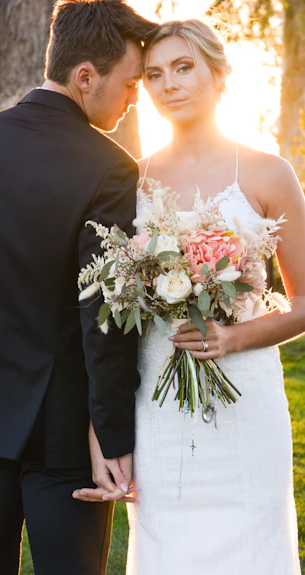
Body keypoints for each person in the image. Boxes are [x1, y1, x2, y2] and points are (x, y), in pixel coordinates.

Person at [0, 1, 156, 573]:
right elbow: (104, 318)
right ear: (84, 77)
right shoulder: (112, 168)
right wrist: (113, 433)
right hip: (64, 430)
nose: (132, 99)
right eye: (128, 85)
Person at [74, 19, 304, 574]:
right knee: (165, 549)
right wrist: (102, 428)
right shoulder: (130, 180)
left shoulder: (270, 173)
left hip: (247, 402)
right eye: (153, 74)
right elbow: (111, 312)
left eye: (183, 68)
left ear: (219, 75)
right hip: (158, 404)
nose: (168, 84)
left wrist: (233, 336)